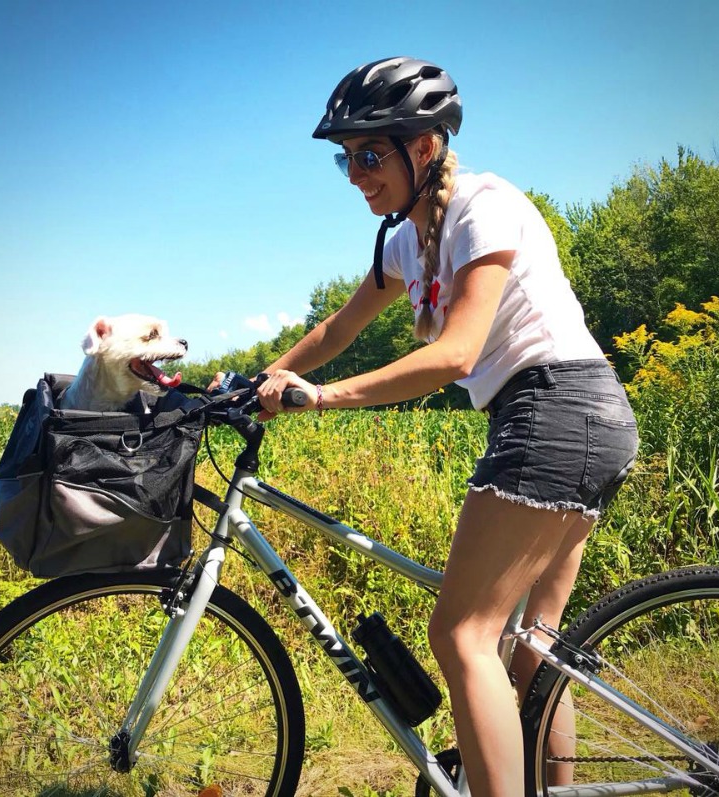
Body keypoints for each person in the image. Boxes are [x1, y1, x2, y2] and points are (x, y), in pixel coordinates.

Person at [215, 57, 639, 796]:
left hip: (557, 408)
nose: (355, 173)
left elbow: (457, 352)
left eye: (369, 153)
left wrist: (322, 398)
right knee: (529, 646)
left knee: (461, 635)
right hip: (580, 415)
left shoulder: (484, 204)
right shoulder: (406, 240)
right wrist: (264, 379)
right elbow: (337, 327)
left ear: (425, 146)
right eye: (345, 158)